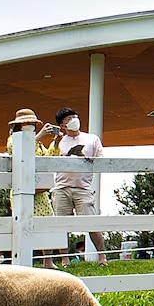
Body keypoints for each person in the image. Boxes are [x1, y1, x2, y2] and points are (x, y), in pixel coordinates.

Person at [48, 106, 105, 262]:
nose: (73, 121)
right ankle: (64, 259)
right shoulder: (58, 142)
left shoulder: (91, 139)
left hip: (83, 187)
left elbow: (101, 160)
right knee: (62, 225)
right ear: (62, 125)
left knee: (91, 223)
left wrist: (82, 156)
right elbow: (50, 161)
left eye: (75, 116)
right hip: (61, 187)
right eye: (68, 119)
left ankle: (102, 257)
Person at [7, 109, 52, 218]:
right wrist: (39, 136)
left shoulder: (39, 144)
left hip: (40, 189)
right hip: (22, 187)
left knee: (45, 221)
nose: (30, 125)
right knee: (25, 218)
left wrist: (56, 143)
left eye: (32, 123)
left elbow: (48, 159)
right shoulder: (13, 140)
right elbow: (19, 150)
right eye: (27, 123)